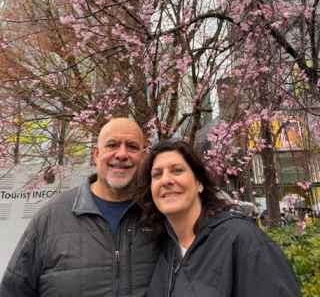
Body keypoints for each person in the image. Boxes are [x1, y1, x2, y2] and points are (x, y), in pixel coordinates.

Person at [0, 117, 159, 297]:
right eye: (112, 145)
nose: (122, 154)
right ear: (96, 154)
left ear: (143, 157)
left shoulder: (158, 216)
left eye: (132, 146)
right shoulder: (50, 218)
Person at [138, 140, 300, 297]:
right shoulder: (164, 252)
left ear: (199, 183)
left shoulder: (241, 239)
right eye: (157, 174)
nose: (166, 180)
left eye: (177, 170)